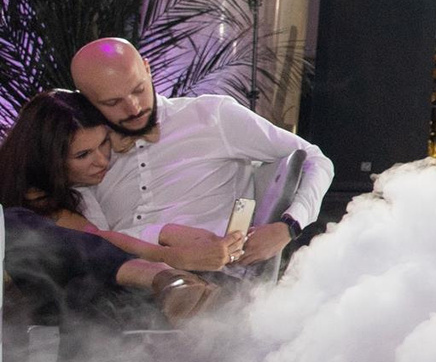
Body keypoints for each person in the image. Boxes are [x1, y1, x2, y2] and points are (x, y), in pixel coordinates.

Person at [68, 38, 332, 273]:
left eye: (138, 90)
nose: (133, 107)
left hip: (212, 278)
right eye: (112, 103)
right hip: (123, 279)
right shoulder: (85, 152)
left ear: (147, 69)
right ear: (87, 100)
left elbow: (315, 159)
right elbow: (94, 238)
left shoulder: (210, 116)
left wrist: (289, 226)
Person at [2, 91, 219, 343]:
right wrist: (167, 254)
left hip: (95, 311)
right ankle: (166, 279)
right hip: (43, 314)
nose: (102, 160)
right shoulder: (24, 205)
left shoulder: (83, 185)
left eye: (104, 142)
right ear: (47, 160)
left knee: (87, 285)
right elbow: (93, 238)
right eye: (83, 155)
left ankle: (210, 296)